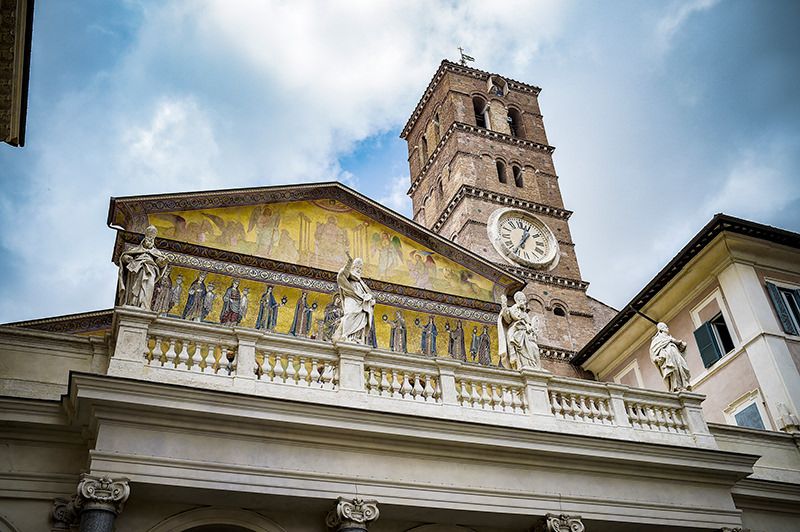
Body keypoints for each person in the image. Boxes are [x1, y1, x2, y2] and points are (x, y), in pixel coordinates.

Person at [117, 225, 167, 310]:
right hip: (137, 268)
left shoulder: (156, 252)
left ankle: (145, 305)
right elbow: (124, 257)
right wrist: (127, 258)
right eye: (148, 239)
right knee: (136, 284)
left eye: (151, 239)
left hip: (151, 269)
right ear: (144, 240)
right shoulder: (136, 249)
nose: (149, 241)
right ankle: (134, 302)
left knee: (149, 285)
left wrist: (163, 262)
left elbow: (160, 263)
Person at [332, 252, 375, 345]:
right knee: (350, 313)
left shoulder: (361, 283)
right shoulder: (348, 279)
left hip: (361, 304)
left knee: (360, 318)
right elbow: (342, 275)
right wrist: (349, 262)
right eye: (357, 267)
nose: (359, 270)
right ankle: (346, 336)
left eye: (360, 268)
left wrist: (370, 300)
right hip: (351, 300)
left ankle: (355, 338)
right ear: (352, 268)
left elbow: (369, 294)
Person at [498, 292, 541, 370]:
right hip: (515, 330)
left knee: (533, 348)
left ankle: (531, 364)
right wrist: (504, 306)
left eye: (524, 300)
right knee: (513, 340)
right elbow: (508, 318)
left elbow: (529, 324)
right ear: (517, 300)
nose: (524, 302)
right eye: (522, 300)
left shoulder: (525, 314)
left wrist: (531, 328)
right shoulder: (513, 308)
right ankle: (517, 363)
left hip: (525, 333)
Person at [649, 322, 691, 392]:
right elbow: (653, 353)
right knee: (674, 371)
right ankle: (677, 387)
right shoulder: (657, 340)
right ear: (661, 329)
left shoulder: (670, 338)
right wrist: (657, 358)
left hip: (677, 356)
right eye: (665, 327)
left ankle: (684, 385)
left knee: (681, 369)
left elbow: (681, 347)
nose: (667, 328)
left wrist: (681, 344)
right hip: (668, 359)